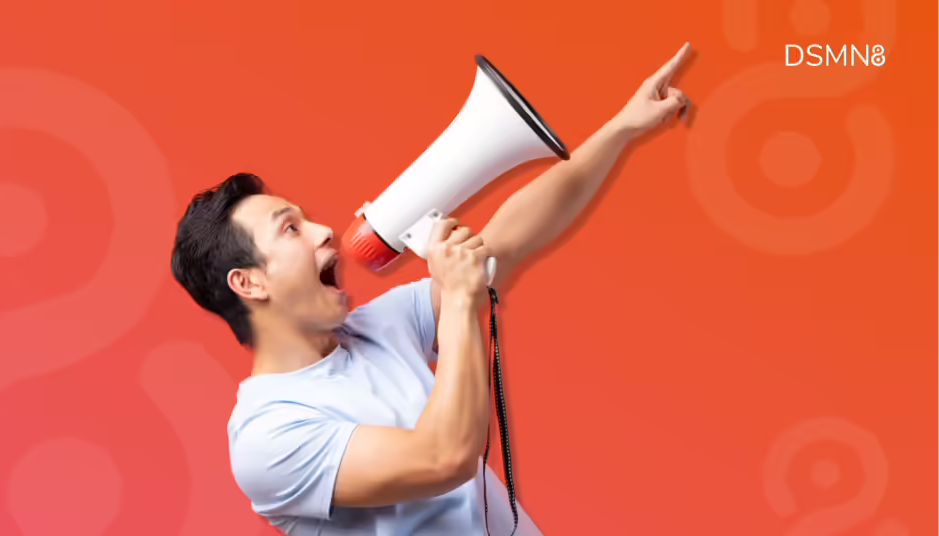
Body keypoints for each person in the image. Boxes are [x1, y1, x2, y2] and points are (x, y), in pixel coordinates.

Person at [170, 44, 692, 536]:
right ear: (249, 282)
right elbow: (442, 457)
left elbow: (511, 236)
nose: (322, 230)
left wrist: (622, 126)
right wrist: (460, 300)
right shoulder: (268, 435)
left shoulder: (380, 326)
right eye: (290, 229)